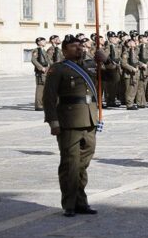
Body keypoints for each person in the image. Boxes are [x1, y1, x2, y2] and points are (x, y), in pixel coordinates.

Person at [42, 35, 108, 217]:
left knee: (82, 164)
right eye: (73, 46)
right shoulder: (59, 69)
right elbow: (48, 97)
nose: (79, 49)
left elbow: (114, 77)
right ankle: (70, 204)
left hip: (90, 120)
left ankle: (81, 201)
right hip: (69, 121)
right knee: (70, 163)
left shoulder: (91, 65)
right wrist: (53, 121)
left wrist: (107, 61)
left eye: (80, 46)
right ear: (64, 50)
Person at [31, 37, 50, 111]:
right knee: (40, 88)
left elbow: (48, 60)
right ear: (39, 42)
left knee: (44, 88)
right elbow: (33, 60)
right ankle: (38, 105)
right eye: (43, 41)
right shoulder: (36, 50)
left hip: (46, 71)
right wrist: (41, 68)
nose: (45, 42)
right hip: (40, 72)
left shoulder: (43, 50)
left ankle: (42, 104)